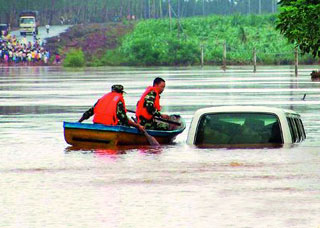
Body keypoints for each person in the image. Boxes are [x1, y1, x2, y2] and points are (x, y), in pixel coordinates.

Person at [78, 84, 144, 131]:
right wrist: (137, 126)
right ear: (121, 93)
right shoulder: (118, 101)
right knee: (125, 124)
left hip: (97, 123)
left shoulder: (102, 99)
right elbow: (124, 119)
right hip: (109, 126)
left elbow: (88, 113)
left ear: (112, 91)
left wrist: (79, 122)